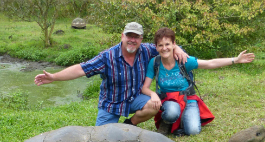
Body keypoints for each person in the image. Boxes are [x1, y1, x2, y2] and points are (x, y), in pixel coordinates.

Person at [34, 22, 188, 126]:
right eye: (129, 36)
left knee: (153, 105)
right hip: (111, 104)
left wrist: (178, 48)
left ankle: (129, 125)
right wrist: (54, 77)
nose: (132, 40)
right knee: (101, 139)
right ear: (123, 36)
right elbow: (81, 69)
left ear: (141, 39)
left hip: (135, 98)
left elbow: (166, 47)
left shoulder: (147, 50)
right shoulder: (107, 57)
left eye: (136, 37)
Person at [142, 27, 255, 136]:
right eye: (160, 45)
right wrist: (153, 94)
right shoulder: (154, 63)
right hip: (168, 100)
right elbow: (145, 88)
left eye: (167, 44)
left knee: (193, 130)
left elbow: (209, 63)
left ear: (174, 44)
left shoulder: (183, 60)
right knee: (171, 112)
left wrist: (235, 60)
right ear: (156, 47)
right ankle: (166, 122)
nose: (164, 48)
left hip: (187, 99)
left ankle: (181, 121)